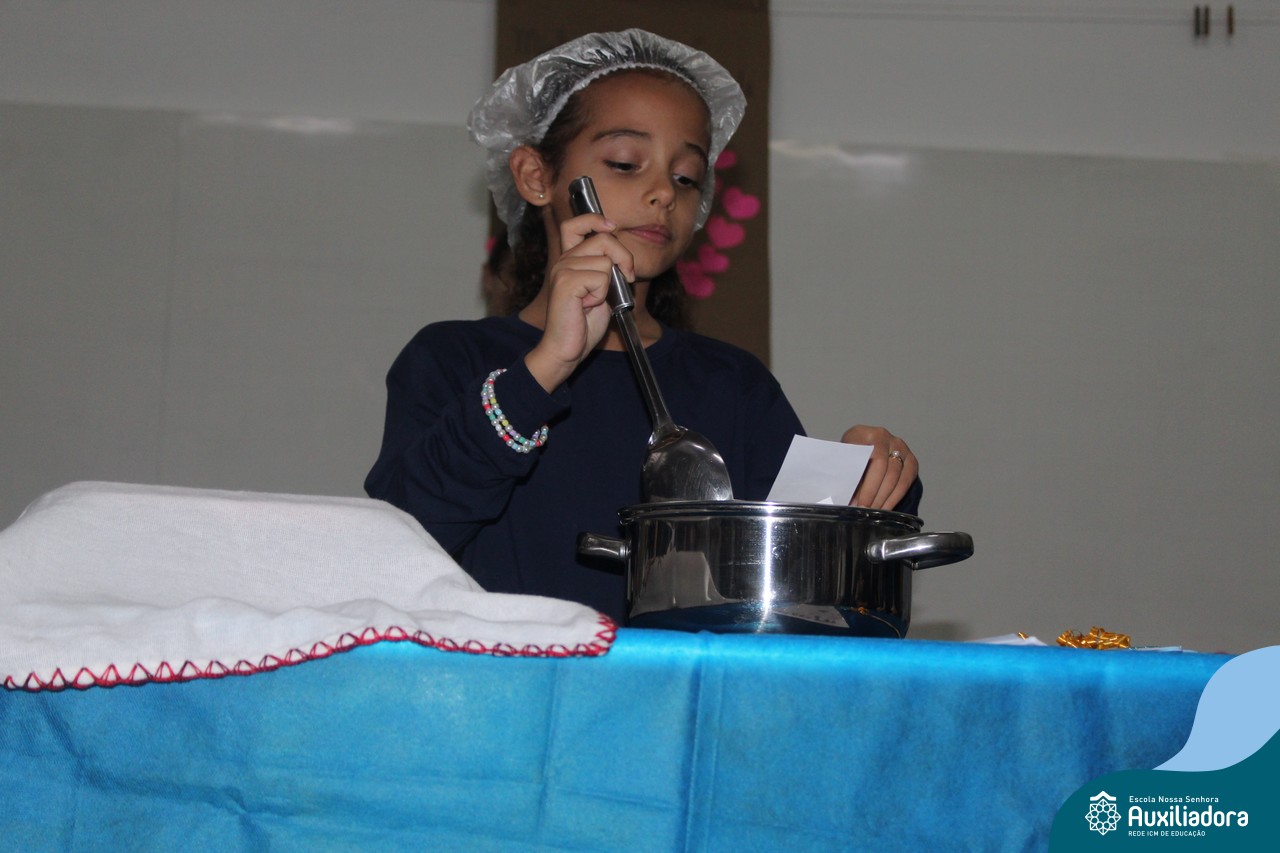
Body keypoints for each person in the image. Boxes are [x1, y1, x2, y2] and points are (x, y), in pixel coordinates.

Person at [366, 30, 921, 621]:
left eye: (686, 177)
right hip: (507, 677)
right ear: (535, 176)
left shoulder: (731, 383)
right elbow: (398, 542)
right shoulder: (450, 358)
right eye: (626, 164)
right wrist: (545, 367)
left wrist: (871, 483)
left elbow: (800, 578)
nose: (662, 193)